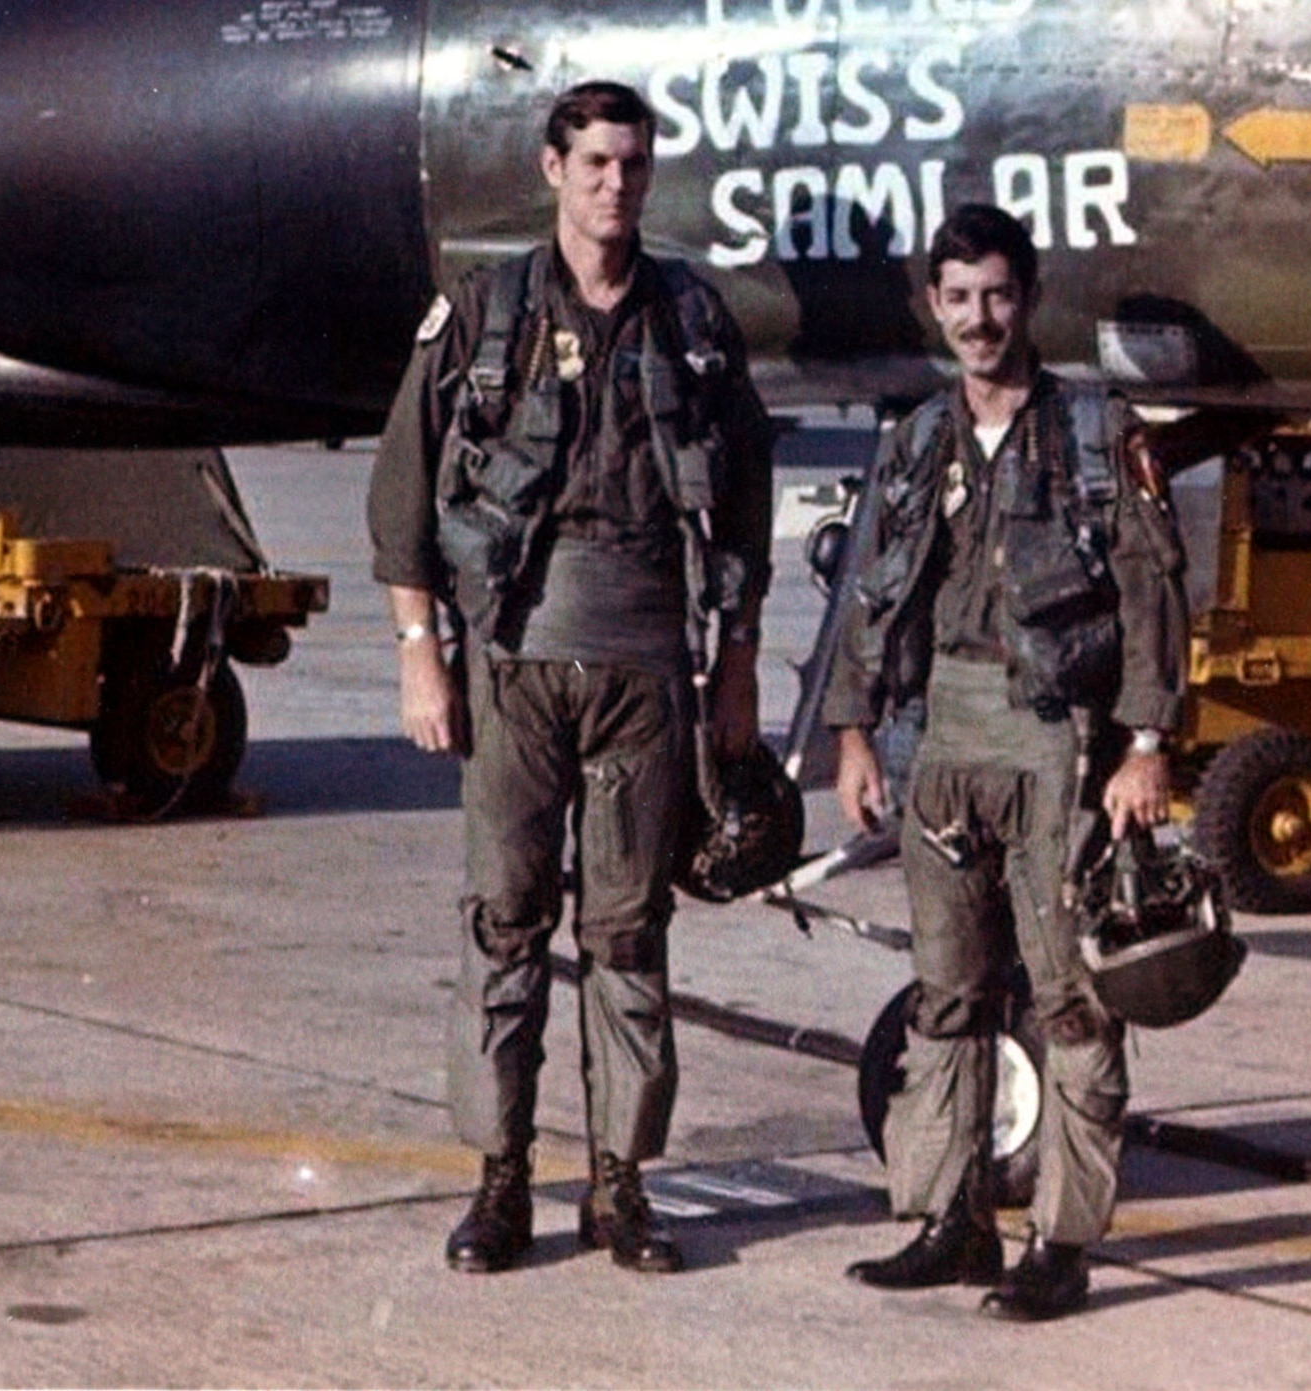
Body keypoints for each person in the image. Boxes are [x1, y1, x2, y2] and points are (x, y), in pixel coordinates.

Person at [367, 80, 773, 1277]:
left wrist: (737, 666)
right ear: (552, 169)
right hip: (514, 661)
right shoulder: (483, 312)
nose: (615, 185)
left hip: (647, 664)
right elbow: (405, 488)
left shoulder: (692, 316)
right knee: (504, 920)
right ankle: (499, 1182)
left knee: (628, 929)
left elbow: (740, 504)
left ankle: (620, 1184)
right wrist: (417, 655)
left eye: (633, 166)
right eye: (594, 163)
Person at [822, 203, 1189, 1321]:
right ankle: (950, 1217)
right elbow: (871, 587)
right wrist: (851, 731)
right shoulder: (917, 439)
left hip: (1052, 739)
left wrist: (1146, 745)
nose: (979, 319)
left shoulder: (1091, 431)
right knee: (946, 996)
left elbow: (1152, 589)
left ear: (1026, 300)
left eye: (996, 295)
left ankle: (1060, 1239)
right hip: (938, 734)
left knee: (1070, 1000)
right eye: (958, 298)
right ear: (935, 306)